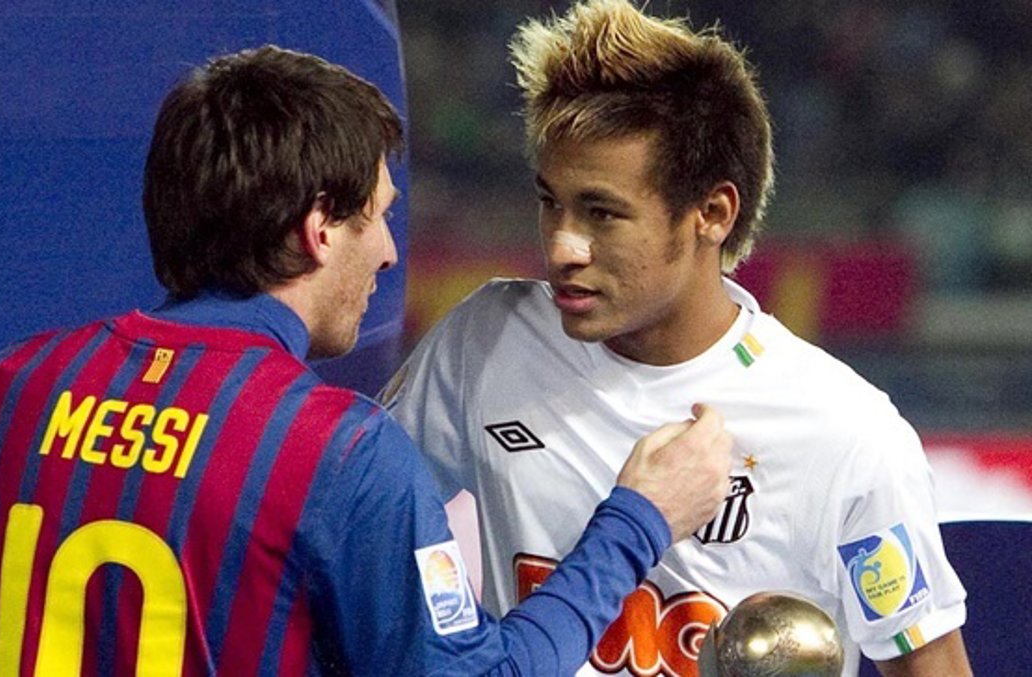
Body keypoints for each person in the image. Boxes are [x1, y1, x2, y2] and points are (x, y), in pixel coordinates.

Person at [0, 44, 734, 676]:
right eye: (379, 215)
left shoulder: (10, 387)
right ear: (319, 227)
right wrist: (637, 520)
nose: (390, 253)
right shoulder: (338, 452)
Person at [383, 1, 972, 675]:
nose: (563, 246)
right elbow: (356, 530)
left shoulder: (849, 433)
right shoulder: (485, 343)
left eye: (602, 213)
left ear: (712, 213)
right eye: (550, 201)